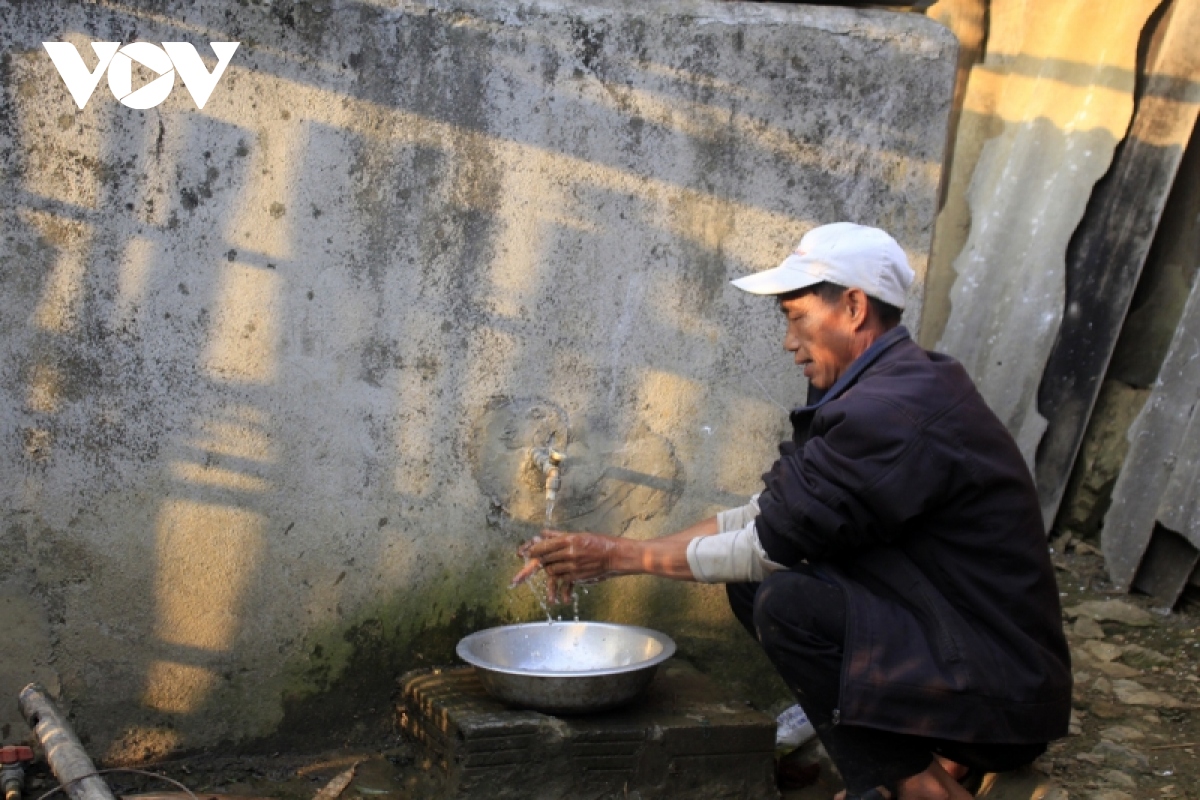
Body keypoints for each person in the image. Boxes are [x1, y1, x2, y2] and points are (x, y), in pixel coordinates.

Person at [512, 222, 1072, 800]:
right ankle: (916, 763)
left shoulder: (891, 411)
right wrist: (616, 555)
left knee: (787, 602)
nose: (788, 341)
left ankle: (921, 787)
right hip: (973, 663)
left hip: (1005, 699)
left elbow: (767, 546)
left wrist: (620, 555)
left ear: (853, 308)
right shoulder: (875, 387)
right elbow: (770, 516)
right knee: (752, 589)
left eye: (795, 316)